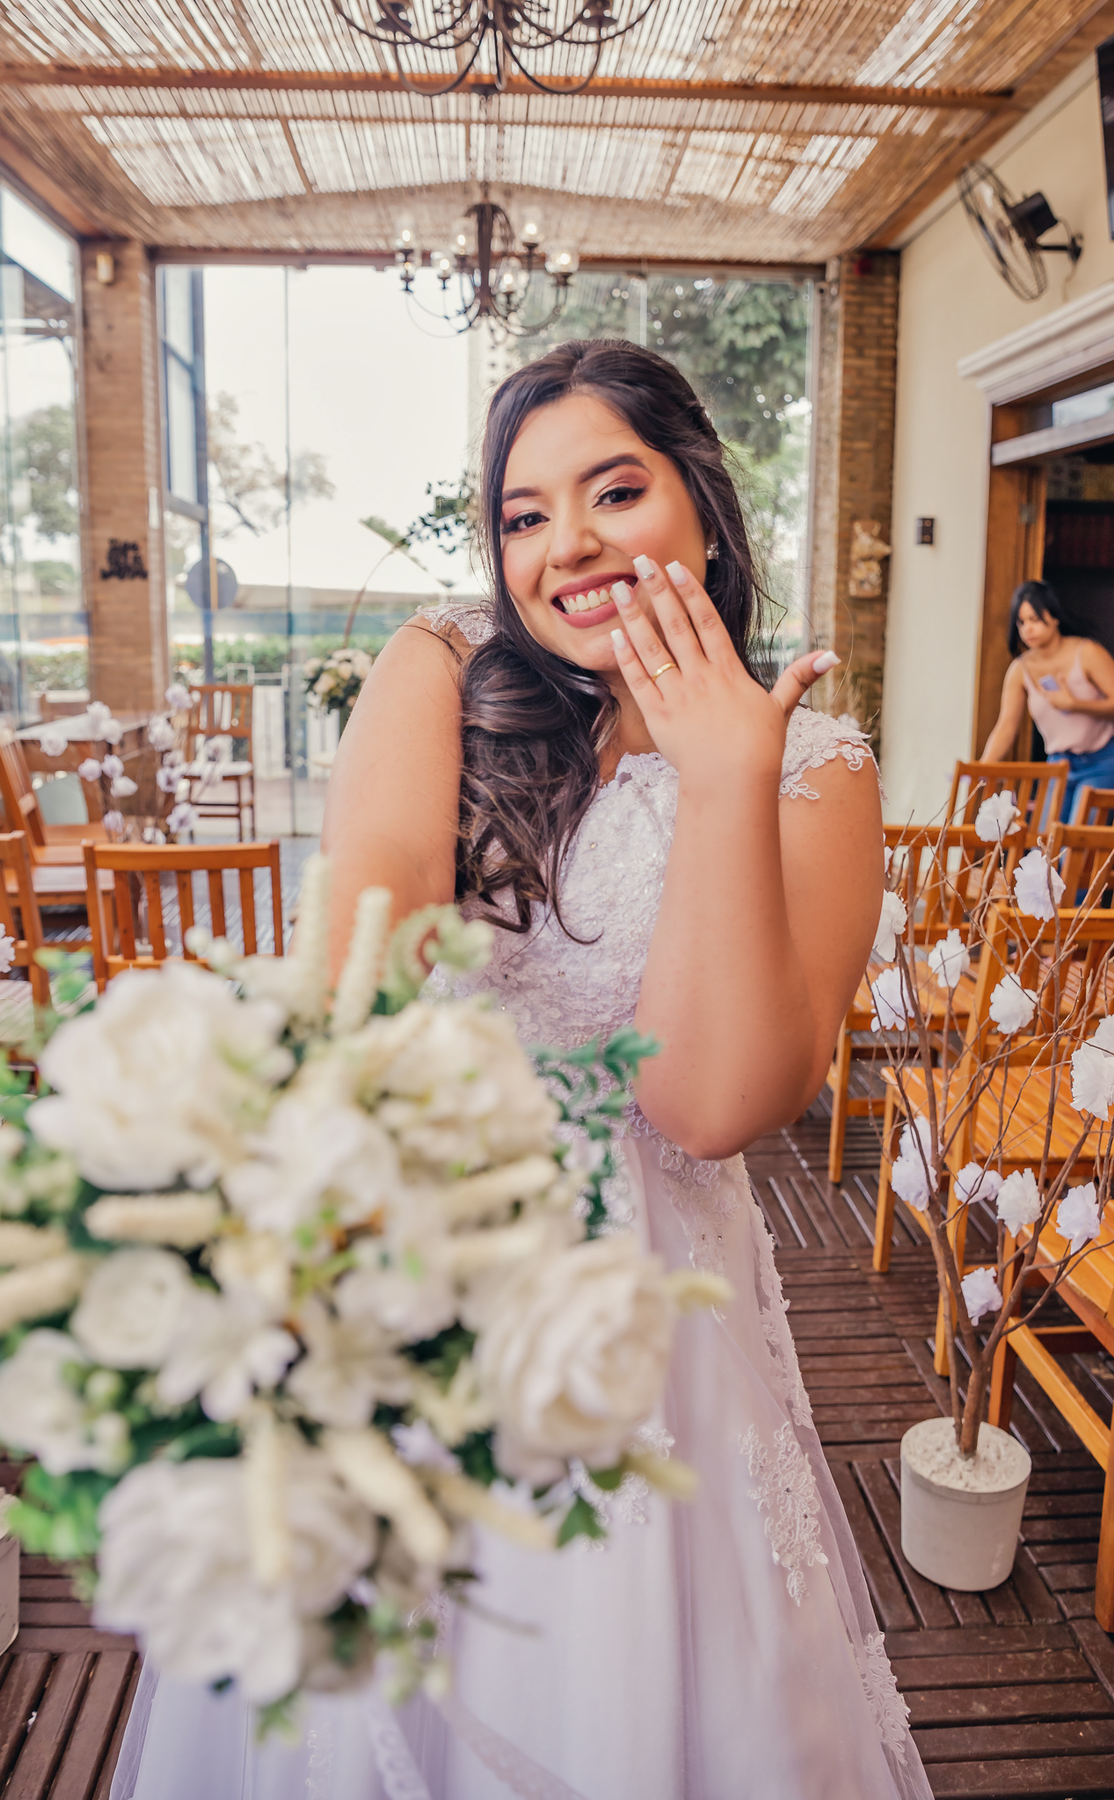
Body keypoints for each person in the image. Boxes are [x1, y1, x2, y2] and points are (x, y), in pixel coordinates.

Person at [113, 342, 929, 1800]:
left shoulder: (818, 765)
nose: (571, 544)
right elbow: (368, 917)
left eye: (616, 490)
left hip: (651, 1301)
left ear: (706, 508)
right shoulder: (443, 667)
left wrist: (723, 775)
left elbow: (709, 1102)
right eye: (525, 513)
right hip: (423, 1220)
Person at [982, 579, 1114, 820]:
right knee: (1042, 850)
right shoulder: (1020, 670)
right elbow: (1006, 725)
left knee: (1078, 847)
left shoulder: (1087, 652)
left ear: (1054, 617)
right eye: (1021, 622)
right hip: (1058, 765)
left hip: (1101, 760)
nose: (1027, 629)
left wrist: (1073, 704)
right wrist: (981, 768)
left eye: (1034, 619)